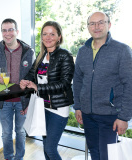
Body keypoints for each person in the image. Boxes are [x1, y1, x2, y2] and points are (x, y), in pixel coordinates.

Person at [73, 11, 132, 160]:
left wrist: (124, 117)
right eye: (92, 23)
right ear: (88, 27)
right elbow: (78, 80)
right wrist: (78, 107)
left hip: (110, 116)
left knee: (107, 156)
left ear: (109, 25)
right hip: (87, 115)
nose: (96, 26)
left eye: (101, 22)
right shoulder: (82, 51)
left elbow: (129, 84)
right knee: (95, 153)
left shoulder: (122, 50)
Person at [20, 21, 74, 160]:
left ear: (59, 37)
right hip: (42, 107)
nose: (48, 37)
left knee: (50, 148)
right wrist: (25, 81)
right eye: (45, 34)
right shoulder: (41, 55)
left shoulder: (65, 55)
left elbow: (64, 84)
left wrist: (38, 87)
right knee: (46, 148)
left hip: (58, 108)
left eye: (52, 34)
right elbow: (32, 73)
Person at [0, 18, 35, 160]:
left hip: (22, 100)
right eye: (4, 30)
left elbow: (33, 76)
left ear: (16, 31)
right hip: (3, 100)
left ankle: (19, 158)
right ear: (1, 33)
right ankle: (8, 157)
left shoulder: (28, 51)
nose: (8, 33)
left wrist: (29, 100)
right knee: (6, 133)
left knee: (21, 132)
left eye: (11, 29)